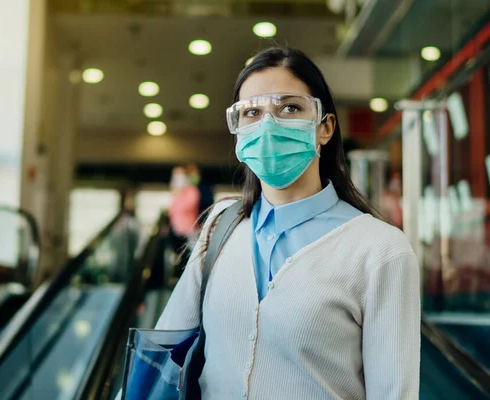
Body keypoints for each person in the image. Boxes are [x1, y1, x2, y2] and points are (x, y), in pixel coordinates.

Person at [154, 47, 420, 399]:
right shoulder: (220, 228)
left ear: (325, 127)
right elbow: (162, 355)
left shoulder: (379, 250)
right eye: (251, 112)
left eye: (289, 108)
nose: (267, 125)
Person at [167, 166, 200, 273]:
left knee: (190, 260)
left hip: (189, 232)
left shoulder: (192, 191)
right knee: (177, 258)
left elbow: (186, 207)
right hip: (176, 232)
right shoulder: (175, 194)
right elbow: (172, 211)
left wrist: (180, 192)